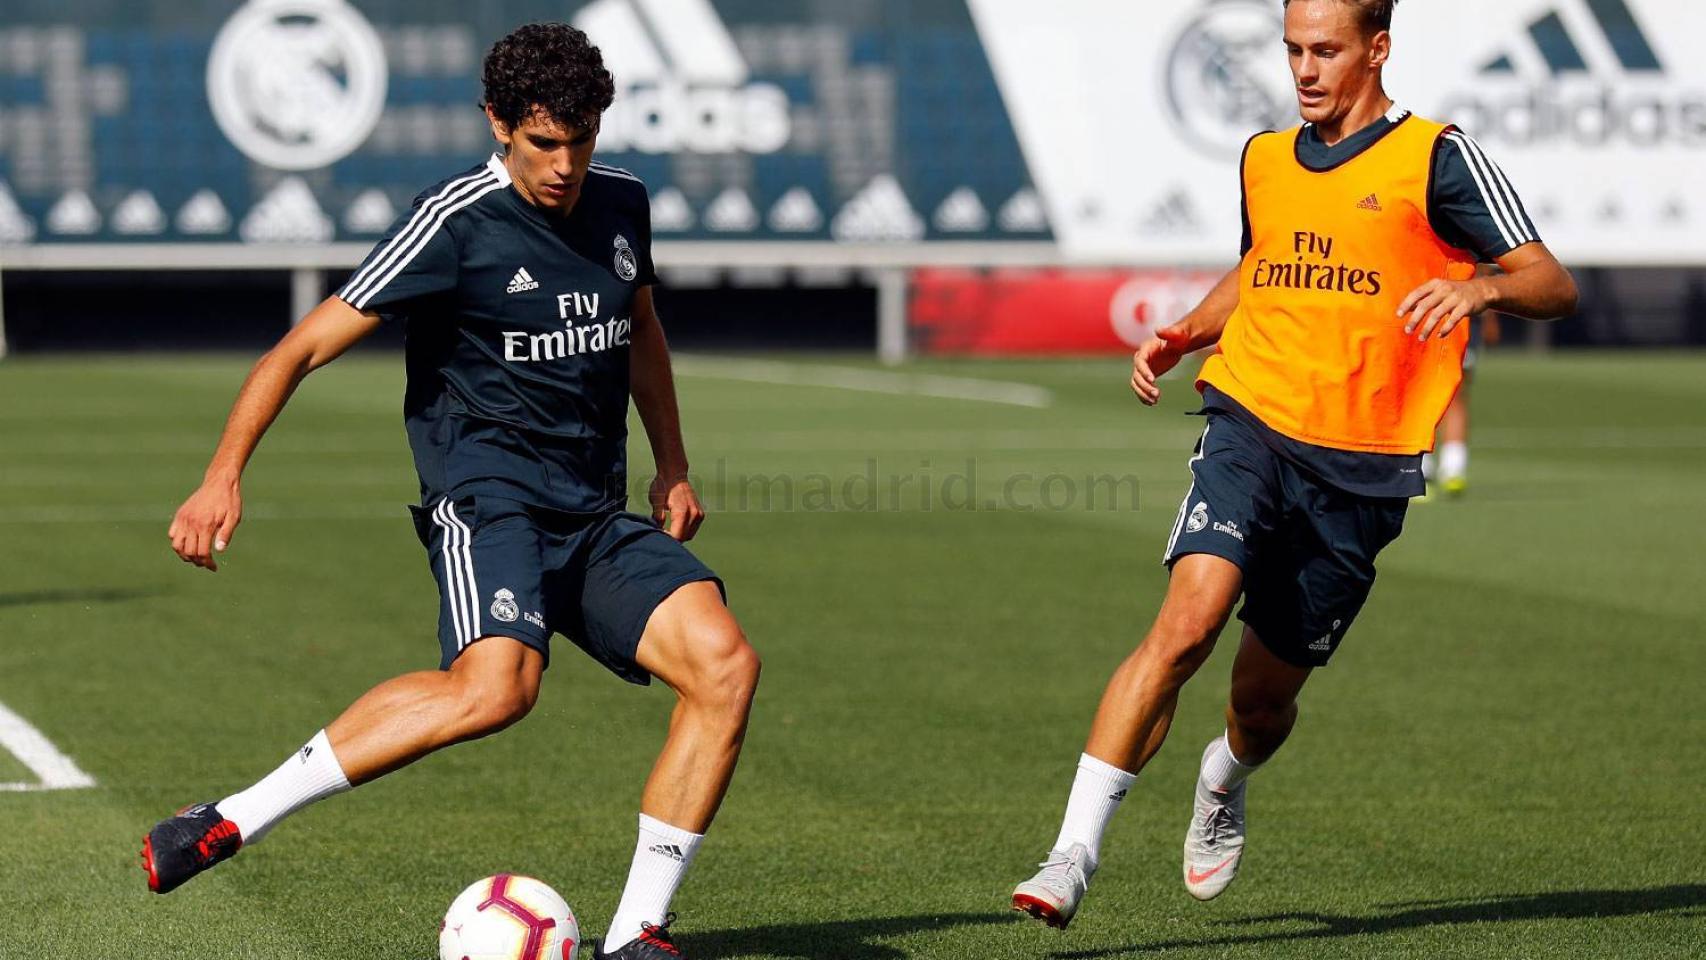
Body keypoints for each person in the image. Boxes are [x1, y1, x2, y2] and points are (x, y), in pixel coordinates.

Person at [141, 23, 759, 960]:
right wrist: (221, 476)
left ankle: (637, 936)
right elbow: (300, 347)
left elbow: (642, 329)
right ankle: (235, 816)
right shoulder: (454, 222)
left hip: (592, 512)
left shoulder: (624, 203)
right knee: (498, 690)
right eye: (543, 142)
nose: (564, 164)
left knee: (725, 666)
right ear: (498, 124)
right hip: (488, 500)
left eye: (581, 139)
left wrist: (672, 461)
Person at [1011, 0, 1575, 928]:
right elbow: (1262, 266)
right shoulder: (1264, 157)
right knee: (1186, 622)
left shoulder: (1436, 157)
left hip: (1362, 467)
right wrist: (1189, 330)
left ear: (1377, 48)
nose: (1305, 69)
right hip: (1251, 418)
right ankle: (1070, 853)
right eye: (1293, 50)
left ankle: (1224, 779)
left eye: (1326, 51)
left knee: (1260, 706)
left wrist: (1478, 287)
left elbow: (1552, 283)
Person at [1423, 264, 1502, 498]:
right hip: (1430, 313)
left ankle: (1448, 467)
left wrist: (1490, 317)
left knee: (1450, 394)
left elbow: (1484, 272)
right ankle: (1428, 468)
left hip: (1461, 320)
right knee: (1428, 393)